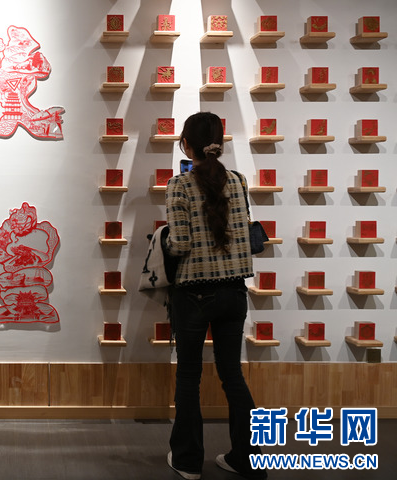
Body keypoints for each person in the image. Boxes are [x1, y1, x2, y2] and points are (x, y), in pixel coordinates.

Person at [164, 112, 266, 480]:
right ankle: (249, 459)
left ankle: (188, 461)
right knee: (232, 375)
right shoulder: (238, 181)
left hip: (194, 293)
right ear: (219, 143)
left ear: (186, 145)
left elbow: (180, 244)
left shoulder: (179, 185)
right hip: (234, 291)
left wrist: (161, 243)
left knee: (189, 377)